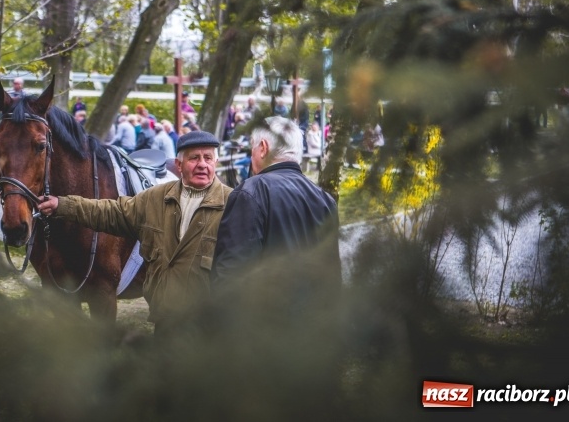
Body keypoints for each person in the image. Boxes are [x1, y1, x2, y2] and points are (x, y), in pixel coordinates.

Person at [37, 131, 233, 335]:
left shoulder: (234, 204)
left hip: (209, 324)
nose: (202, 164)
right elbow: (112, 212)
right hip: (166, 322)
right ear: (179, 165)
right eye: (194, 158)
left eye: (208, 158)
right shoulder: (156, 198)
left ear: (215, 163)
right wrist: (63, 205)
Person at [211, 116, 341, 298]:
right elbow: (332, 275)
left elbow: (231, 276)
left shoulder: (251, 192)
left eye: (252, 148)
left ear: (263, 148)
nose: (251, 156)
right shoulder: (325, 199)